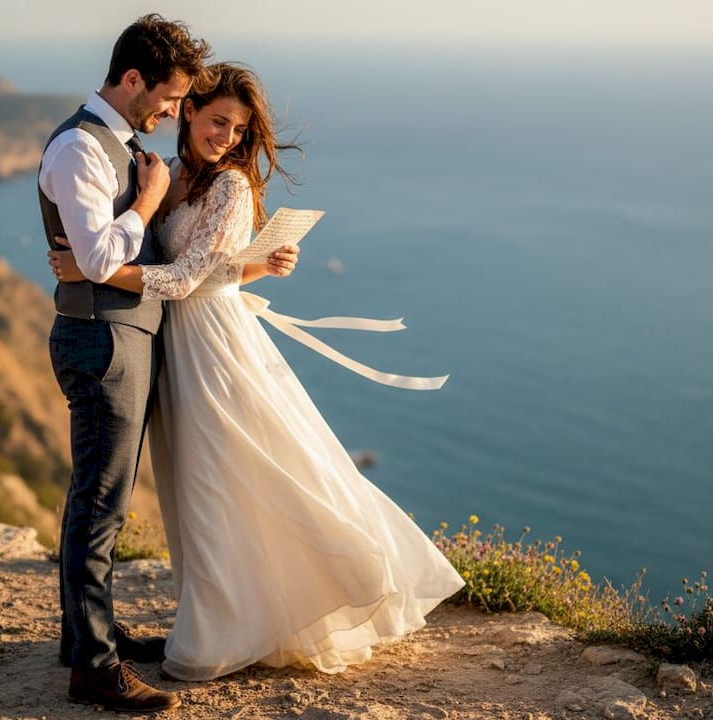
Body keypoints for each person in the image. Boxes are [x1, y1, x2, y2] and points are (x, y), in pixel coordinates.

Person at [49, 62, 464, 682]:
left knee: (224, 477)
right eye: (218, 121)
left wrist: (94, 269)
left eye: (239, 130)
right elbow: (208, 267)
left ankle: (244, 623)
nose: (227, 137)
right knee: (196, 486)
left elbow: (185, 279)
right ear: (188, 112)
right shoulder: (171, 172)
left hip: (213, 347)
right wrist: (254, 266)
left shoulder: (232, 187)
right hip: (176, 345)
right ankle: (228, 618)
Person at [37, 14, 218, 713]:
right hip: (102, 340)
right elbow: (97, 260)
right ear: (133, 79)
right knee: (100, 505)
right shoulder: (80, 148)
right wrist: (146, 201)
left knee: (100, 500)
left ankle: (86, 637)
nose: (173, 112)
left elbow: (101, 255)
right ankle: (93, 667)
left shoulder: (120, 145)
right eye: (169, 97)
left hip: (122, 335)